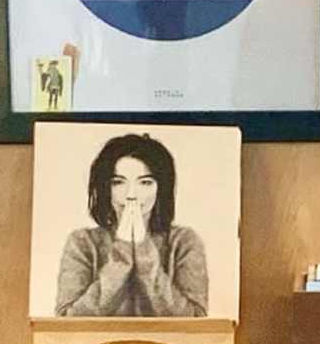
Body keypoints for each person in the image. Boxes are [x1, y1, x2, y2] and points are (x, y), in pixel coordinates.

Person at [54, 131, 209, 318]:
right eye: (118, 182)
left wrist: (143, 251)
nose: (131, 195)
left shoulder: (184, 241)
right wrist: (123, 253)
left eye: (145, 182)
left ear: (161, 188)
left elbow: (196, 320)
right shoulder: (82, 242)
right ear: (106, 188)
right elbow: (66, 320)